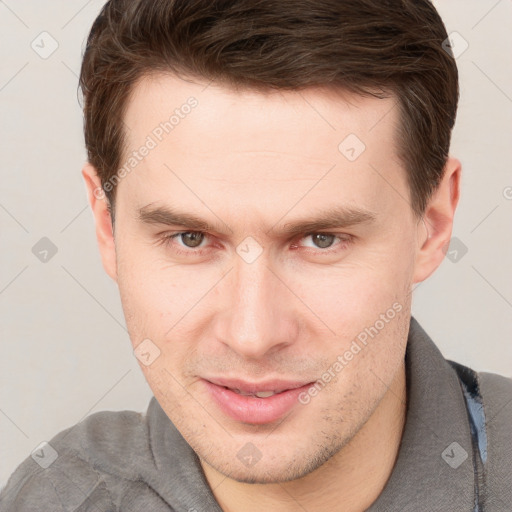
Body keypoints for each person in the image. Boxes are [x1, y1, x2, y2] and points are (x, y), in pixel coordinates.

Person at [1, 0, 511, 510]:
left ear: (433, 223)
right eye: (190, 238)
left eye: (321, 240)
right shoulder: (56, 496)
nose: (252, 336)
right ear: (106, 226)